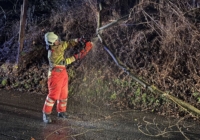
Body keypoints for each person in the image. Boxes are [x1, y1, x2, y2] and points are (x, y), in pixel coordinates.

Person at [42, 32, 93, 123]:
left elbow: (67, 43)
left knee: (64, 95)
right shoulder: (52, 54)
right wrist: (80, 54)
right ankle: (46, 114)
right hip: (55, 74)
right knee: (53, 95)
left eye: (58, 39)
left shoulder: (58, 44)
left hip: (62, 72)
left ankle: (61, 112)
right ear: (52, 43)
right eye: (56, 40)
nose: (58, 41)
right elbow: (65, 61)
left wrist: (79, 40)